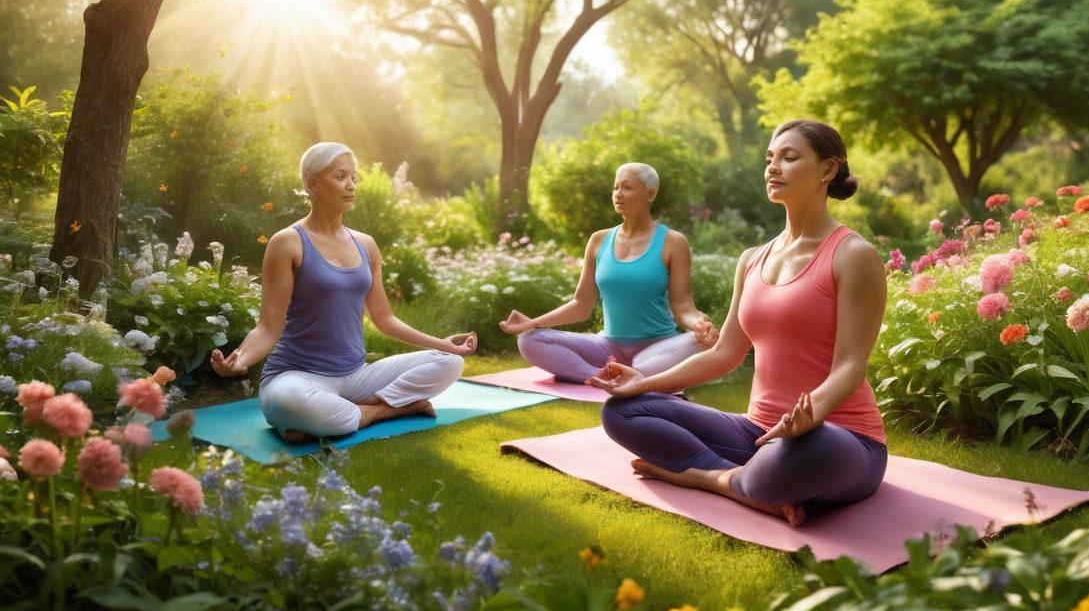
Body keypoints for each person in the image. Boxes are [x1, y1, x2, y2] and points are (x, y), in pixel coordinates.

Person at [588, 122, 888, 526]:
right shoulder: (753, 259)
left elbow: (851, 367)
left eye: (789, 157)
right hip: (756, 433)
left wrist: (812, 415)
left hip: (838, 437)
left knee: (802, 451)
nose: (773, 168)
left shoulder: (853, 255)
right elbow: (725, 353)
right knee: (622, 411)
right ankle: (747, 481)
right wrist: (640, 381)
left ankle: (704, 477)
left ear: (827, 170)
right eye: (769, 159)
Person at [210, 143, 477, 442]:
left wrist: (443, 344)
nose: (351, 185)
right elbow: (268, 326)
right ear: (312, 183)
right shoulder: (287, 243)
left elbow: (385, 318)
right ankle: (384, 410)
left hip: (356, 375)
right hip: (297, 376)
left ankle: (343, 415)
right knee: (286, 400)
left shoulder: (366, 244)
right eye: (340, 176)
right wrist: (242, 359)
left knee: (449, 363)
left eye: (354, 177)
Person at [499, 162, 718, 385]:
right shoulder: (599, 240)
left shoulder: (673, 242)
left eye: (627, 188)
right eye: (615, 188)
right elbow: (581, 305)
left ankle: (628, 374)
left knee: (697, 342)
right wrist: (533, 323)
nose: (618, 194)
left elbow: (683, 306)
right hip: (607, 346)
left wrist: (700, 324)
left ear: (649, 194)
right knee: (529, 340)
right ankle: (599, 376)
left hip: (657, 348)